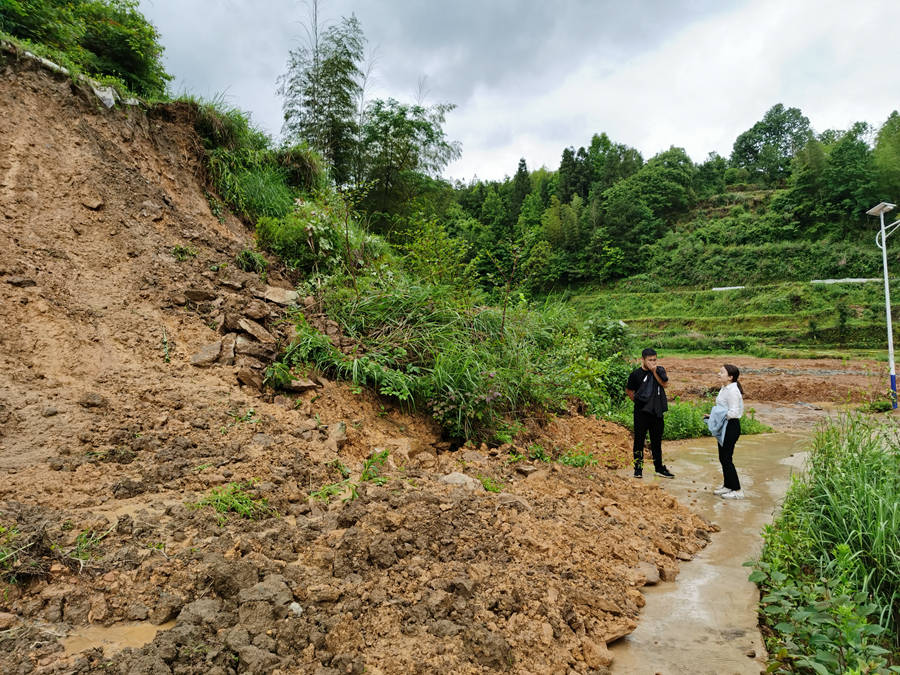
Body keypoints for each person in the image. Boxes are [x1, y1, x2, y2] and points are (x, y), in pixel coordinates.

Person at [625, 348, 674, 479]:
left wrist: (654, 371)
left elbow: (665, 384)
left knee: (656, 441)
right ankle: (638, 469)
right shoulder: (635, 374)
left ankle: (659, 468)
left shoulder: (660, 371)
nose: (653, 362)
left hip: (657, 413)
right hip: (641, 413)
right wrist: (639, 402)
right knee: (639, 441)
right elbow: (629, 391)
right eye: (650, 360)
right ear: (643, 360)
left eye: (654, 360)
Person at [706, 364, 745, 499]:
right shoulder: (725, 388)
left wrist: (719, 417)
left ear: (730, 377)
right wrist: (713, 416)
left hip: (731, 426)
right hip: (725, 425)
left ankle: (737, 490)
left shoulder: (733, 391)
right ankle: (728, 486)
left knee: (727, 458)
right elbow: (723, 408)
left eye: (722, 372)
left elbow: (733, 412)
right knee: (723, 458)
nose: (719, 374)